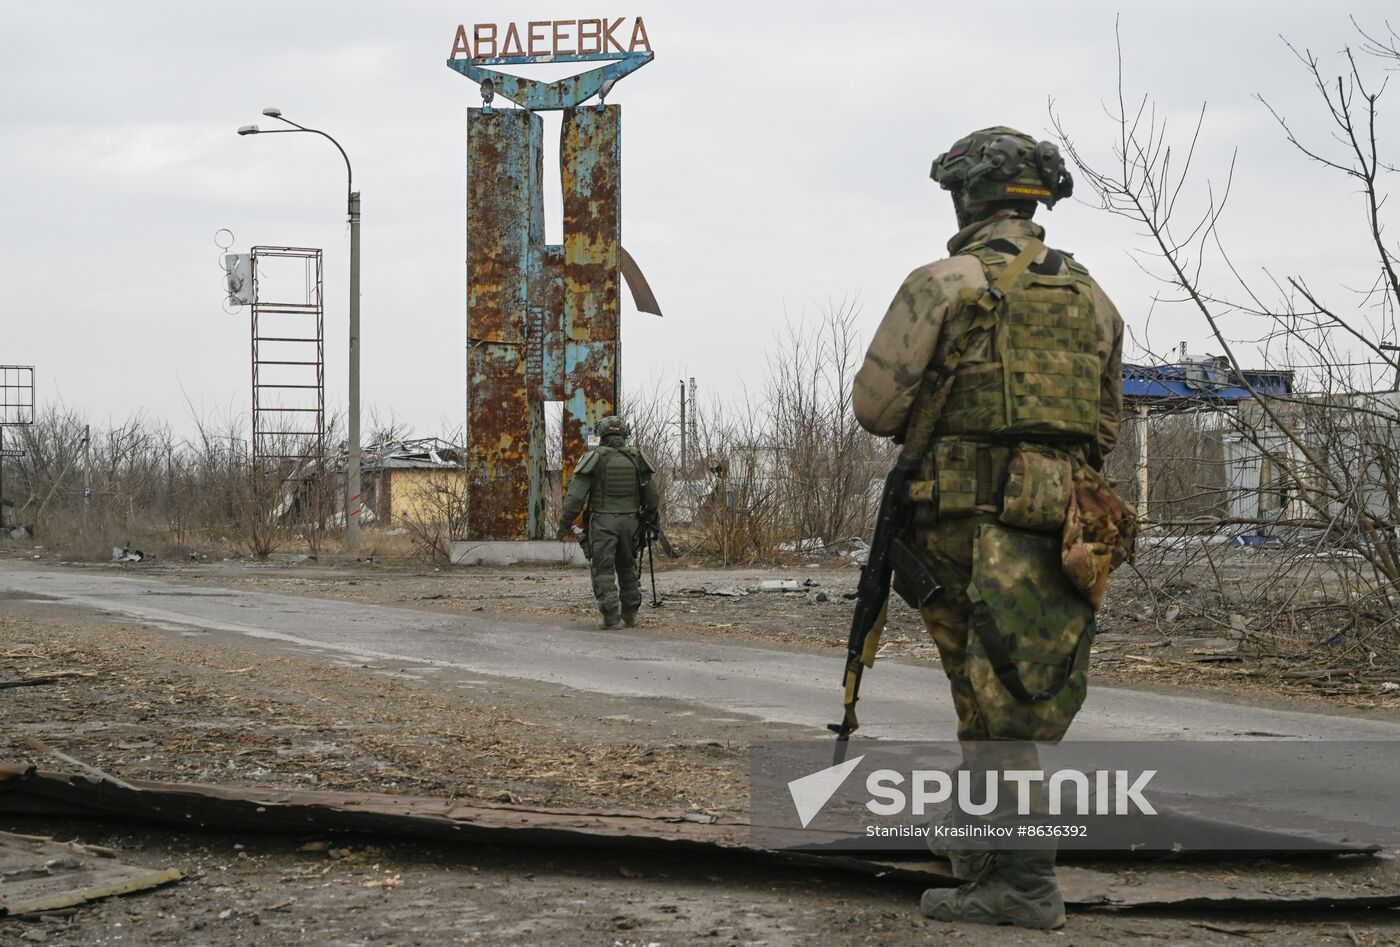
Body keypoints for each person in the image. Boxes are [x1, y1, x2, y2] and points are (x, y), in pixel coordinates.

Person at [852, 126, 1125, 930]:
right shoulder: (1092, 295)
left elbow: (877, 409)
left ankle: (1022, 882)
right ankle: (984, 845)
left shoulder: (943, 282)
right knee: (1017, 692)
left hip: (966, 521)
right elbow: (1104, 427)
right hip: (1065, 525)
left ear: (965, 198)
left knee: (988, 700)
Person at [556, 415, 660, 630]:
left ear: (601, 435)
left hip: (603, 522)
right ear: (624, 434)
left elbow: (576, 497)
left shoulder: (594, 457)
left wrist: (565, 522)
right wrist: (651, 519)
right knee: (627, 566)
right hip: (631, 522)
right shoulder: (637, 457)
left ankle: (611, 617)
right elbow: (652, 497)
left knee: (603, 570)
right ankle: (630, 616)